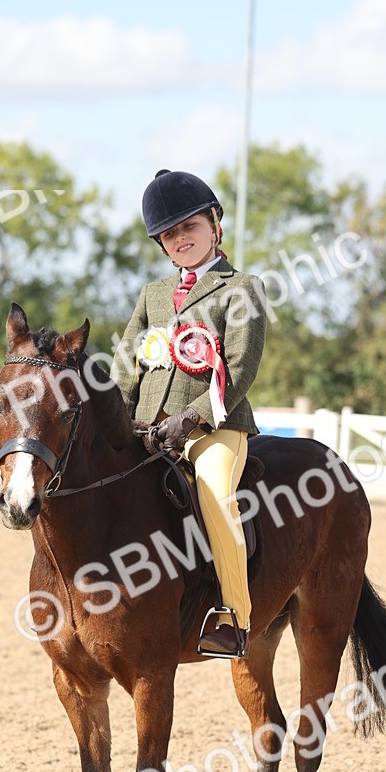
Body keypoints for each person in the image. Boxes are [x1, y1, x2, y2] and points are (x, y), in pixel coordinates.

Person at [113, 169, 267, 658]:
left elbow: (240, 370)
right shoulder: (153, 296)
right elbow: (125, 363)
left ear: (214, 225)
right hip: (147, 428)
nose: (181, 239)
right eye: (170, 233)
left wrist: (192, 418)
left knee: (216, 496)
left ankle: (234, 617)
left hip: (215, 427)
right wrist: (117, 419)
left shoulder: (241, 289)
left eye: (189, 227)